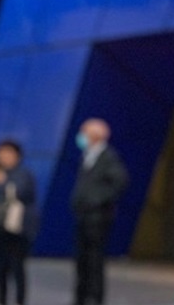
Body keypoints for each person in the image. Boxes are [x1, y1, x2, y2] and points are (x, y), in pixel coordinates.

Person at [71, 118, 129, 305]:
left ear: (96, 135)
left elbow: (120, 182)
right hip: (83, 216)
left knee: (95, 260)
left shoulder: (108, 157)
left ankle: (94, 298)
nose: (81, 136)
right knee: (82, 260)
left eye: (85, 132)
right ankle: (80, 297)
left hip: (98, 218)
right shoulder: (87, 155)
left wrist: (97, 200)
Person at [0, 140, 39, 305]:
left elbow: (19, 193)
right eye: (1, 152)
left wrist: (1, 180)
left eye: (8, 152)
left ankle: (20, 301)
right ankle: (1, 300)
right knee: (0, 269)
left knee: (17, 269)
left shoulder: (23, 174)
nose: (4, 156)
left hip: (18, 231)